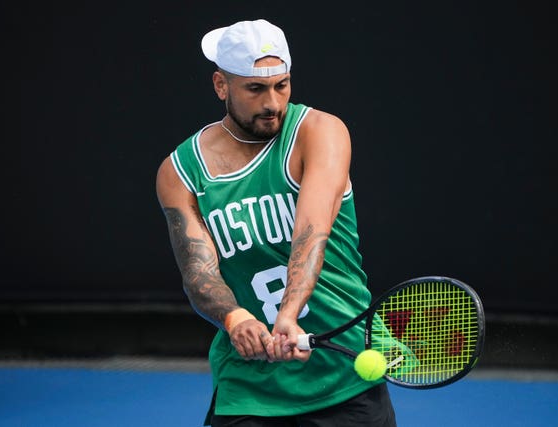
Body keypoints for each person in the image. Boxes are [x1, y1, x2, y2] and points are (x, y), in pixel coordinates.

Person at [156, 19, 397, 427]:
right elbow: (198, 272)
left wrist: (289, 312)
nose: (272, 102)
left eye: (281, 85)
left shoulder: (319, 132)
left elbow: (312, 230)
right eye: (255, 88)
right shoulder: (181, 173)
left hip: (343, 370)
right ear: (221, 85)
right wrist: (236, 318)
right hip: (250, 385)